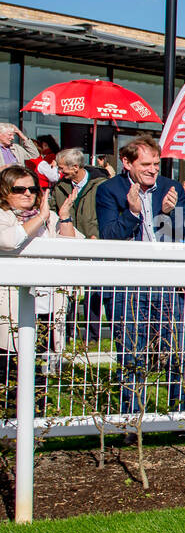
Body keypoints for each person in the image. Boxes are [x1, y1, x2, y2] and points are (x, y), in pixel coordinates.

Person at [95, 135, 185, 419]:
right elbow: (110, 236)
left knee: (179, 350)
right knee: (131, 353)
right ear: (127, 163)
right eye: (146, 164)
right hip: (127, 284)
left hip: (165, 281)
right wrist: (133, 212)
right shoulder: (109, 190)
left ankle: (182, 417)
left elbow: (184, 233)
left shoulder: (171, 188)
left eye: (156, 163)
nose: (154, 170)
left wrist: (165, 215)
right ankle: (132, 418)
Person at [0, 166, 80, 405]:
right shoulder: (5, 216)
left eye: (33, 189)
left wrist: (63, 216)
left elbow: (74, 246)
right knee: (9, 369)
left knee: (38, 367)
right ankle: (9, 429)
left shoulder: (49, 217)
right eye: (20, 189)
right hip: (11, 309)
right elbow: (9, 240)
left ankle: (36, 425)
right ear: (5, 191)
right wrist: (41, 217)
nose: (28, 194)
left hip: (45, 306)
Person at [48, 147, 107, 240]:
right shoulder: (59, 187)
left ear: (75, 167)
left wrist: (98, 235)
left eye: (61, 168)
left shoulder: (101, 186)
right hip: (68, 243)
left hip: (93, 242)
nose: (59, 171)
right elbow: (52, 212)